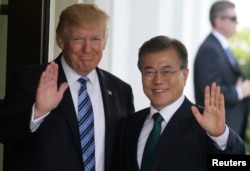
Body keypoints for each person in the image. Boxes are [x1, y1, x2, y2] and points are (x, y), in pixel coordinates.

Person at [0, 3, 134, 171]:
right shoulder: (30, 80)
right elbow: (5, 133)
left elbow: (127, 152)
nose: (87, 48)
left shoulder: (121, 91)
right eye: (78, 39)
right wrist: (38, 111)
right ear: (61, 40)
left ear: (105, 42)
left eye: (95, 39)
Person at [119, 35, 245, 171]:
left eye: (167, 72)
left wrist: (220, 136)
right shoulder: (129, 125)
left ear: (184, 75)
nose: (158, 80)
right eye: (149, 72)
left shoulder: (204, 124)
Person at [194, 0, 250, 140]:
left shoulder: (221, 47)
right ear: (219, 21)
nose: (237, 22)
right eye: (233, 18)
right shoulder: (210, 49)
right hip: (217, 132)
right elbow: (210, 90)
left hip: (228, 130)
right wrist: (239, 92)